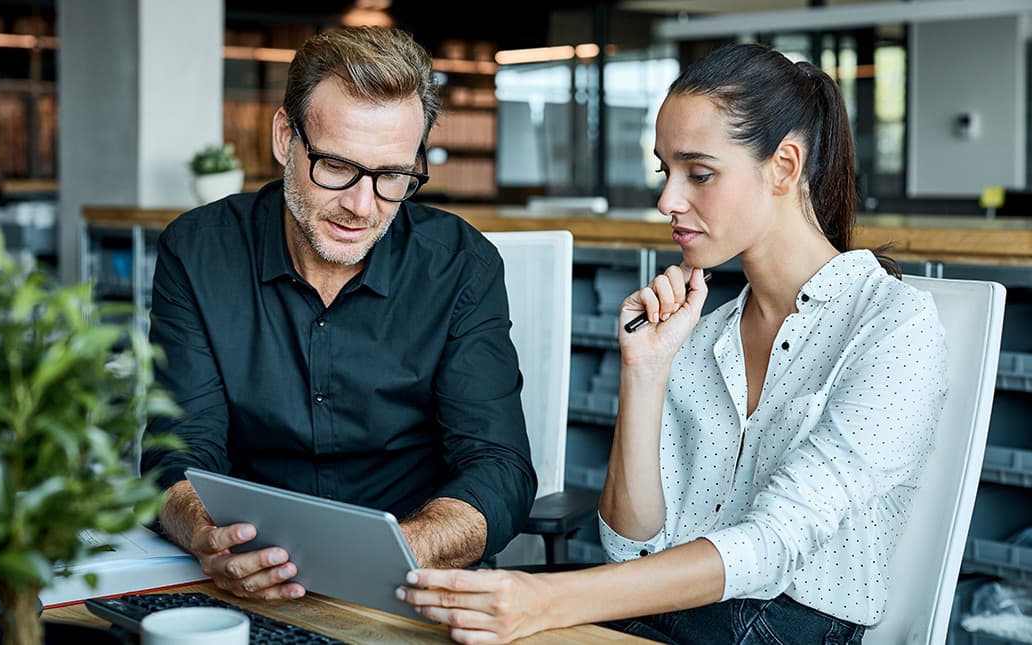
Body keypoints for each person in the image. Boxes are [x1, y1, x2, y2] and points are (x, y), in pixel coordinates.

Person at [397, 42, 949, 644]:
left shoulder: (894, 326)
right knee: (432, 620)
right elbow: (629, 547)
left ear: (784, 167)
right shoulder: (703, 332)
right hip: (674, 611)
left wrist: (548, 600)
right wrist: (645, 371)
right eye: (666, 172)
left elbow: (772, 544)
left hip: (785, 624)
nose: (667, 201)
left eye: (700, 174)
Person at [140, 25, 537, 603]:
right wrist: (206, 534)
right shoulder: (198, 252)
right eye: (335, 166)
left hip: (412, 581)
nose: (361, 206)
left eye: (392, 176)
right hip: (246, 576)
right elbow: (177, 450)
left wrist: (399, 551)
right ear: (285, 138)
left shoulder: (460, 267)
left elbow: (498, 467)